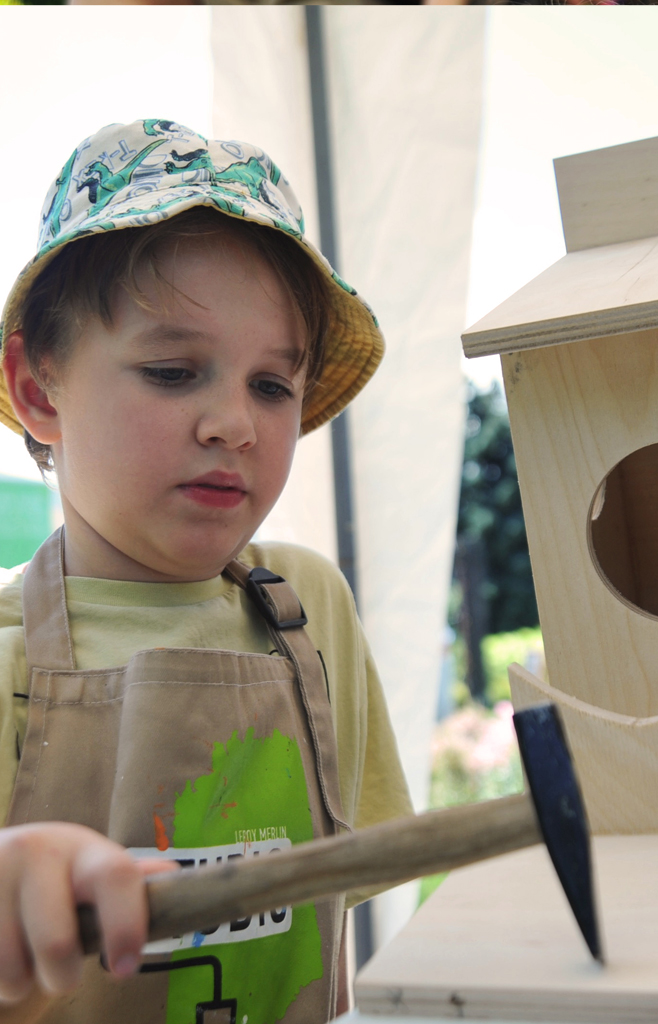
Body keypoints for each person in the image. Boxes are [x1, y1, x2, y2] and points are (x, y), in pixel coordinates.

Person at [0, 118, 412, 1024]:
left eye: (273, 385)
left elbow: (377, 874)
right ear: (38, 389)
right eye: (175, 370)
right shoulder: (7, 661)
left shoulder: (310, 606)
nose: (236, 423)